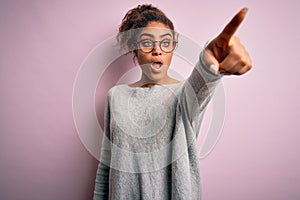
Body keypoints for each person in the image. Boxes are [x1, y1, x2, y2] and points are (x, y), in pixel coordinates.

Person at [93, 4, 252, 200]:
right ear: (135, 49)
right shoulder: (115, 97)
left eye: (166, 43)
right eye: (147, 43)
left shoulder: (183, 95)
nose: (157, 50)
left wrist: (211, 64)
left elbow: (200, 85)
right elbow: (106, 166)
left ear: (173, 49)